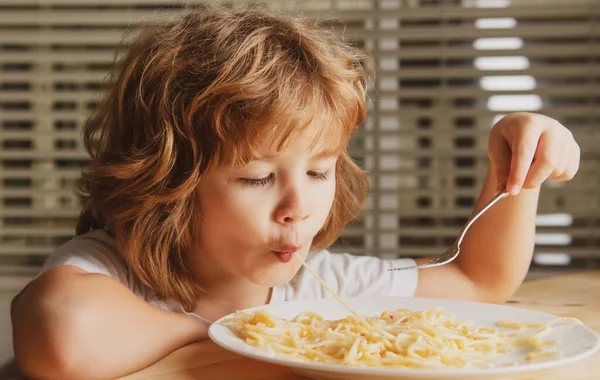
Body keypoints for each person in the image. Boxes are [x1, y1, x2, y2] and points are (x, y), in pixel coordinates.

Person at [11, 8, 580, 379]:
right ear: (168, 186)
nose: (299, 208)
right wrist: (223, 326)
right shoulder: (112, 267)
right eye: (257, 178)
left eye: (318, 172)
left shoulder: (319, 288)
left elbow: (478, 281)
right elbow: (61, 337)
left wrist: (518, 173)